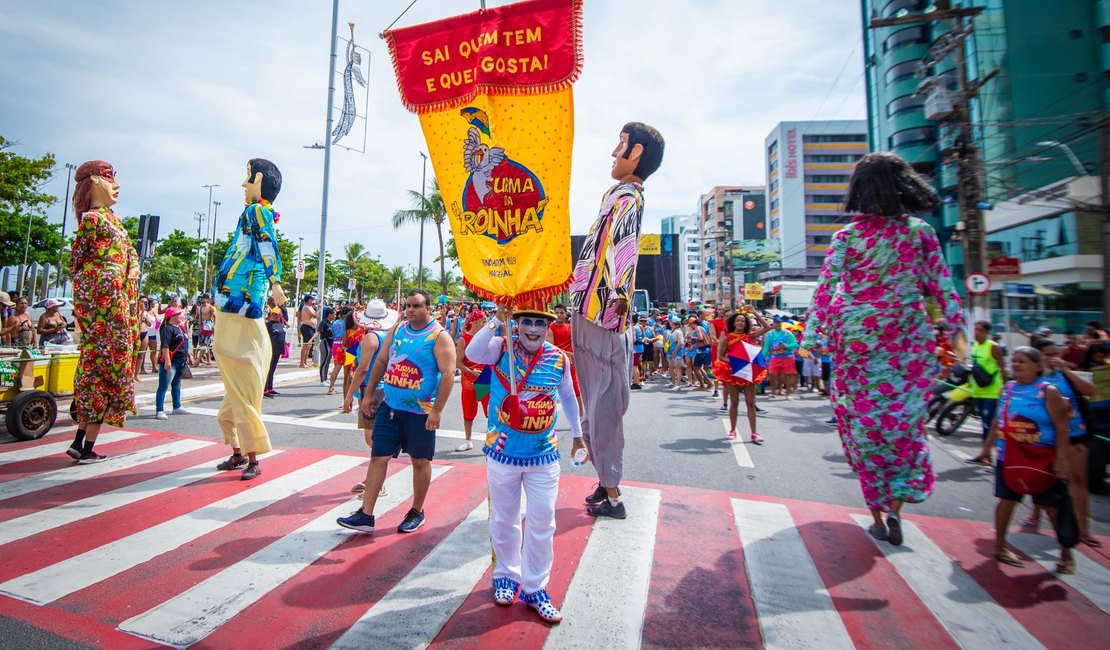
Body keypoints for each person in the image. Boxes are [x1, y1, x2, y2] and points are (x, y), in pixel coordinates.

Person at [802, 151, 964, 546]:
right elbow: (944, 289)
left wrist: (810, 336)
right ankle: (895, 506)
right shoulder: (920, 232)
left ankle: (877, 510)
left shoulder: (848, 236)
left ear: (858, 189)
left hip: (856, 340)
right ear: (905, 185)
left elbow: (826, 288)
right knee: (904, 425)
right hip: (908, 340)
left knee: (862, 428)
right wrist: (961, 340)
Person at [464, 300, 584, 623]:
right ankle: (506, 575)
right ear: (517, 323)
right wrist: (495, 320)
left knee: (544, 522)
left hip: (543, 455)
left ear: (548, 326)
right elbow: (472, 353)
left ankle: (536, 587)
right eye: (526, 321)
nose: (532, 329)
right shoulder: (500, 347)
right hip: (502, 453)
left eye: (539, 323)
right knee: (504, 519)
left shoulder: (558, 359)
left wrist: (578, 435)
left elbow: (570, 397)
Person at [568, 121, 665, 520]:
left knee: (605, 400)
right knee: (596, 400)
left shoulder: (626, 194)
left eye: (621, 144)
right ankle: (605, 483)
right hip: (594, 308)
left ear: (637, 152)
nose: (613, 152)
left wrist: (618, 300)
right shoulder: (620, 193)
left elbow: (623, 248)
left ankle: (612, 492)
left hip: (601, 312)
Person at [337, 289, 456, 534]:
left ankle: (416, 511)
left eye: (416, 306)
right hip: (390, 407)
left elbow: (447, 374)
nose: (410, 310)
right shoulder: (398, 330)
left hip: (421, 412)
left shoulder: (438, 336)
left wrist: (437, 410)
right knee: (378, 457)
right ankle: (366, 514)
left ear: (428, 308)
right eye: (408, 306)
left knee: (420, 461)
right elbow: (381, 362)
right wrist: (368, 394)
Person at [211, 158, 285, 481]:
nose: (243, 185)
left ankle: (253, 458)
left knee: (240, 379)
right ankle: (239, 453)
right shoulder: (252, 212)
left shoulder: (257, 211)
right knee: (235, 384)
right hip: (234, 302)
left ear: (259, 183)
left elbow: (267, 244)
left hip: (241, 303)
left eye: (247, 179)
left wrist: (276, 282)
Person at [976, 347, 1075, 573]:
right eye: (1015, 361)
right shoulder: (1008, 389)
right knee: (1006, 500)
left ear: (1038, 366)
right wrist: (986, 448)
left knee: (1051, 507)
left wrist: (1061, 460)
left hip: (1042, 457)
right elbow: (997, 421)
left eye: (1023, 361)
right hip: (1009, 455)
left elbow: (1062, 426)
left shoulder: (1048, 391)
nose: (1017, 365)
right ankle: (1000, 546)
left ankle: (1066, 554)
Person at [67, 160, 140, 463]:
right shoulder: (93, 221)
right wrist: (108, 276)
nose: (116, 185)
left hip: (116, 299)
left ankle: (81, 442)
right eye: (111, 179)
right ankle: (84, 447)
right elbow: (76, 262)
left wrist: (132, 267)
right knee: (104, 368)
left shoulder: (114, 221)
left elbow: (132, 253)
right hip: (103, 303)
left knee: (103, 368)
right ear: (95, 181)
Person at [1021, 337, 1100, 548]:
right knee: (1041, 480)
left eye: (1056, 353)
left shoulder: (1064, 375)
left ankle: (1084, 529)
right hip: (1045, 439)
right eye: (1048, 355)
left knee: (1078, 481)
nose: (1053, 358)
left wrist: (1066, 370)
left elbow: (1090, 391)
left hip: (1075, 435)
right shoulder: (1030, 381)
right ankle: (1036, 512)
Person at [342, 299, 400, 494]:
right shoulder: (388, 335)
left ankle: (377, 483)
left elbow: (362, 369)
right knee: (376, 436)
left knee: (373, 438)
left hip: (372, 389)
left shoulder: (371, 338)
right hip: (385, 388)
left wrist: (349, 395)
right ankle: (372, 479)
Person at [714, 309, 770, 442]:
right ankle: (732, 429)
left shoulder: (750, 336)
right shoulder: (727, 338)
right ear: (733, 323)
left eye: (743, 321)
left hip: (748, 372)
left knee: (751, 403)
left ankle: (754, 432)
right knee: (734, 402)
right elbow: (721, 356)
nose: (740, 323)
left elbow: (767, 327)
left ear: (746, 324)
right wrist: (735, 361)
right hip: (733, 372)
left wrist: (755, 313)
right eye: (738, 320)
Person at [454, 309, 490, 452]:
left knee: (490, 412)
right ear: (474, 323)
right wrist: (471, 372)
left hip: (485, 378)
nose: (485, 324)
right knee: (468, 412)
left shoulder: (487, 338)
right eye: (483, 321)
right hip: (469, 379)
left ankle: (491, 441)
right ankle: (468, 441)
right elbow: (458, 363)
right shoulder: (464, 339)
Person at [969, 320, 1005, 441]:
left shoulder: (993, 347)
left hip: (991, 392)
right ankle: (985, 453)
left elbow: (1003, 369)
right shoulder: (975, 345)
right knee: (983, 422)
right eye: (975, 329)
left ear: (987, 332)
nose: (977, 333)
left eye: (980, 330)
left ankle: (986, 455)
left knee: (988, 424)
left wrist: (1005, 388)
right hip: (977, 390)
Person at [154, 307, 191, 420]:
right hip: (171, 362)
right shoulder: (167, 329)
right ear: (172, 316)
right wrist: (167, 361)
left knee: (176, 385)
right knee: (163, 386)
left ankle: (176, 406)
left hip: (181, 361)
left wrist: (189, 356)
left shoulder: (181, 328)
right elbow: (165, 346)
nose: (180, 316)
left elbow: (185, 343)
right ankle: (160, 409)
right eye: (178, 314)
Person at [545, 303, 582, 410]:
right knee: (551, 390)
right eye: (557, 313)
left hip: (570, 363)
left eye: (562, 313)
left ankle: (582, 417)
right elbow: (552, 348)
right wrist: (570, 354)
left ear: (566, 314)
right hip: (556, 362)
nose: (559, 315)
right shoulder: (550, 328)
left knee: (576, 389)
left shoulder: (571, 327)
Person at [764, 316, 798, 399]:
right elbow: (766, 346)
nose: (778, 324)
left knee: (788, 375)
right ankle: (773, 391)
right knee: (771, 374)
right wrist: (763, 356)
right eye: (776, 322)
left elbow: (795, 344)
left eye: (779, 322)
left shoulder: (787, 333)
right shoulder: (770, 334)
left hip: (788, 357)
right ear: (773, 323)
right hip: (775, 357)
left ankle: (788, 394)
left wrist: (786, 346)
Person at [263, 296, 288, 398]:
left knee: (272, 369)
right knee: (268, 369)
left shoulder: (281, 324)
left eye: (277, 314)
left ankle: (270, 387)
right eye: (273, 314)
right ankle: (265, 389)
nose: (274, 316)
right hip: (271, 350)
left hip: (278, 349)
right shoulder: (269, 325)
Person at [317, 304, 336, 386]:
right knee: (324, 362)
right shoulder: (323, 322)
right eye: (334, 314)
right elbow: (318, 332)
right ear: (330, 314)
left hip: (331, 343)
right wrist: (311, 339)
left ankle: (325, 378)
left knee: (328, 362)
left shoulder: (332, 323)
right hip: (325, 342)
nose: (335, 315)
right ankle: (322, 379)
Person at [299, 295, 318, 368]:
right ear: (308, 300)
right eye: (311, 299)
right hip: (307, 327)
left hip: (311, 327)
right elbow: (314, 315)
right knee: (306, 345)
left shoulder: (311, 307)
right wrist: (319, 308)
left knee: (309, 346)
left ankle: (305, 362)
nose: (312, 301)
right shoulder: (305, 307)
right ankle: (302, 363)